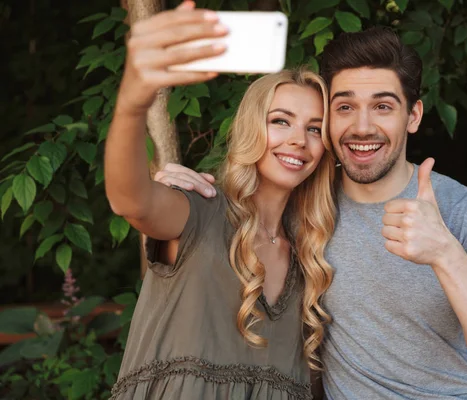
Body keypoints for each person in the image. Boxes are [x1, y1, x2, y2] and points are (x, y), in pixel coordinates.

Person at [157, 27, 467, 399]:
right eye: (345, 107)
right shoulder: (305, 210)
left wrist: (445, 253)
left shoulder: (462, 210)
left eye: (383, 107)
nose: (362, 127)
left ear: (414, 115)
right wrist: (174, 188)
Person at [104, 2, 337, 399]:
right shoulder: (201, 208)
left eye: (315, 129)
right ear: (250, 127)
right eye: (280, 120)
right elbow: (130, 201)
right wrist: (132, 100)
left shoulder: (311, 256)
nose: (299, 139)